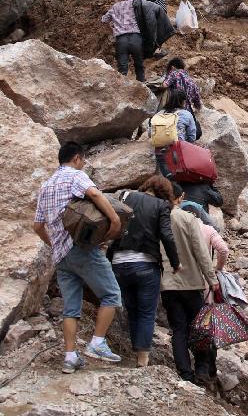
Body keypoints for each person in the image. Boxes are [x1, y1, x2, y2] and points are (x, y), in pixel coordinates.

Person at [33, 142, 122, 373]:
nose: (82, 164)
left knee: (70, 309)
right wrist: (114, 220)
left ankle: (70, 357)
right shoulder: (75, 176)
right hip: (81, 248)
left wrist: (54, 244)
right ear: (76, 158)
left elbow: (37, 226)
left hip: (61, 256)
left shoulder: (46, 186)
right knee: (111, 294)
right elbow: (94, 193)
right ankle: (97, 343)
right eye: (82, 160)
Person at [109, 177, 180, 368]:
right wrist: (175, 263)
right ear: (166, 192)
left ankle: (133, 350)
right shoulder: (162, 205)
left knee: (131, 310)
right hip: (146, 265)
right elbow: (166, 235)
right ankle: (142, 358)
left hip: (118, 263)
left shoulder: (125, 196)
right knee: (146, 313)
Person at [160, 184, 222, 384]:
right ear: (180, 197)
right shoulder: (189, 219)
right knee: (200, 328)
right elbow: (201, 253)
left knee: (178, 329)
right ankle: (202, 369)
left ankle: (185, 374)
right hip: (192, 283)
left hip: (168, 284)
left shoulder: (158, 217)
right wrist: (211, 279)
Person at [101, 0, 145, 82]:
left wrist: (111, 29)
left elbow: (104, 20)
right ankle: (143, 89)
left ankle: (122, 93)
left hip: (121, 40)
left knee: (122, 70)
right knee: (139, 65)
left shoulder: (115, 6)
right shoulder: (138, 4)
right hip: (135, 38)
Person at [153, 87, 197, 179]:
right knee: (178, 178)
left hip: (160, 153)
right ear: (182, 102)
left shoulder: (159, 114)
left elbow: (151, 133)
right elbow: (192, 136)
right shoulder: (186, 114)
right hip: (177, 152)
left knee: (167, 178)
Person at [181, 200, 229, 270]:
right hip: (203, 273)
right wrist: (219, 268)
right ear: (199, 214)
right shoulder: (209, 229)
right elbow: (224, 250)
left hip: (180, 274)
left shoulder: (173, 230)